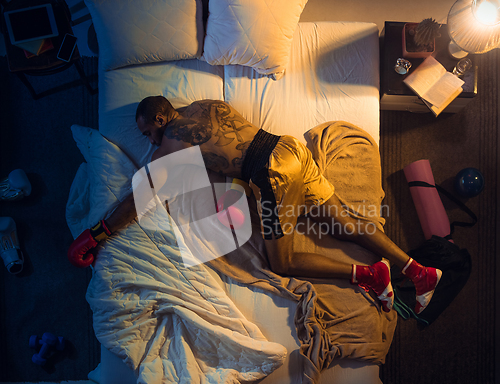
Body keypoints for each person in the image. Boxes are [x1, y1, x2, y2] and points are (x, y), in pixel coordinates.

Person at [68, 96, 442, 314]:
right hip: (288, 147)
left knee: (281, 262)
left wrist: (97, 233)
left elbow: (141, 194)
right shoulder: (205, 104)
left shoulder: (173, 142)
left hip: (271, 175)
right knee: (341, 222)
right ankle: (417, 270)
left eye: (148, 132)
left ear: (160, 119)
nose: (149, 141)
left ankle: (371, 276)